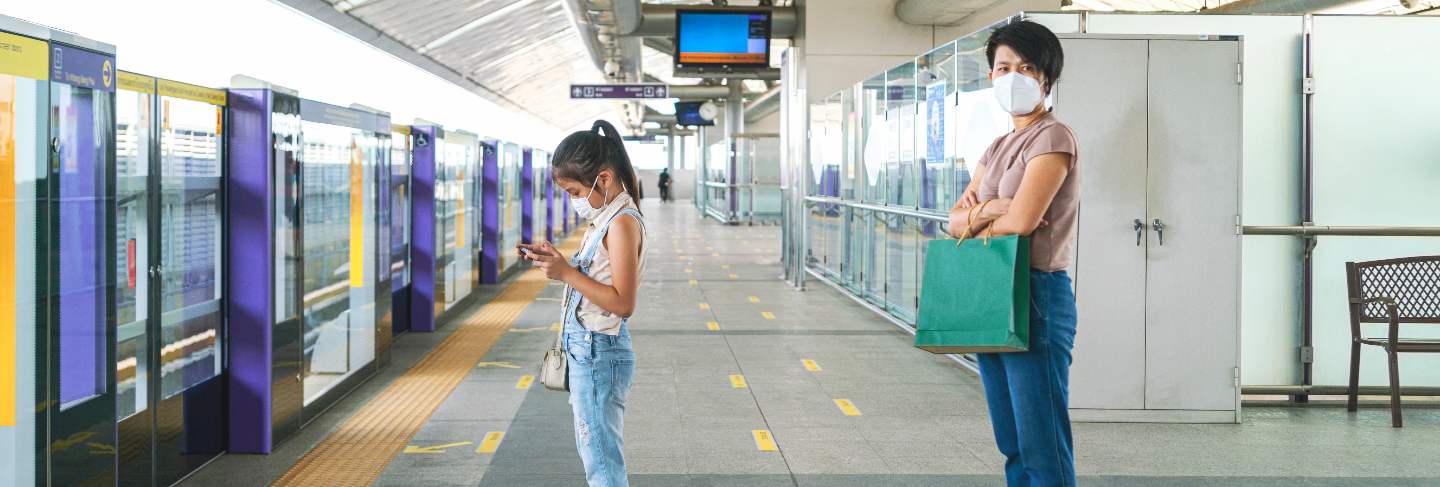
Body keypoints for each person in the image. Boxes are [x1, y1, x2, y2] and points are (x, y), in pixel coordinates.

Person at [948, 20, 1080, 487]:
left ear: (1046, 76)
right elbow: (952, 222)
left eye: (1025, 67)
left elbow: (1024, 223)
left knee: (1041, 441)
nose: (1013, 77)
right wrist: (997, 206)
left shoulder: (1053, 138)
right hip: (993, 286)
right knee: (1012, 440)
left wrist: (983, 212)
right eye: (1003, 67)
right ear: (990, 77)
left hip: (1036, 292)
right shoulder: (998, 145)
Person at [518, 120, 647, 487]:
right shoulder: (608, 218)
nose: (573, 200)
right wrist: (560, 262)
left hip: (599, 350)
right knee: (596, 456)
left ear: (603, 179)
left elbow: (623, 303)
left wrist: (567, 273)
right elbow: (600, 278)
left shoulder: (621, 222)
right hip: (588, 349)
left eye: (575, 191)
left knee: (602, 464)